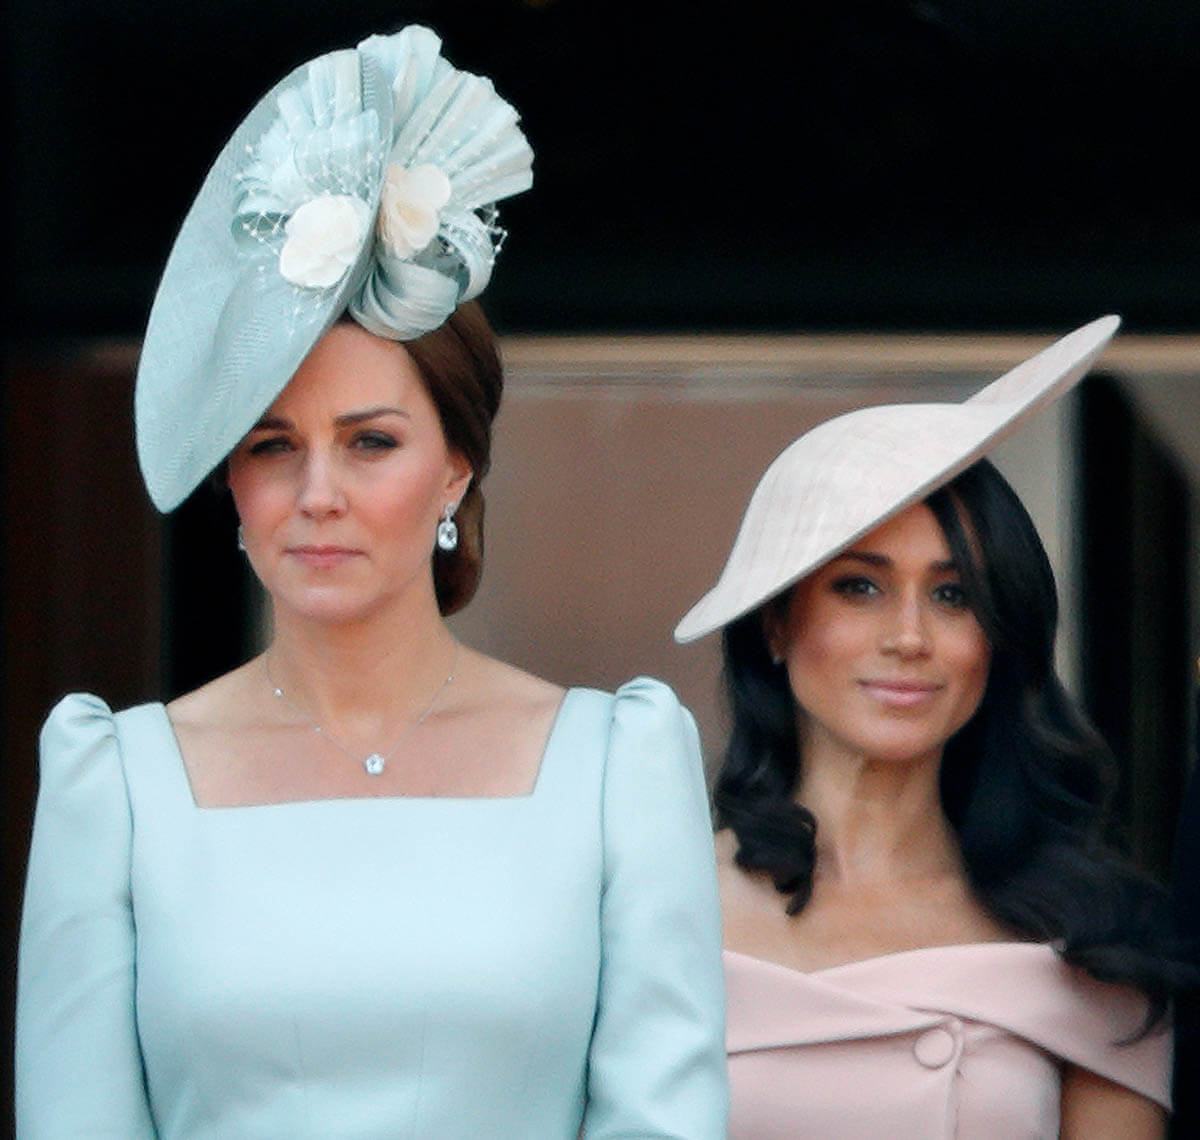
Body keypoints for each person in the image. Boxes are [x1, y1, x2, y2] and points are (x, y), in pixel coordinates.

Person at [16, 25, 727, 1139]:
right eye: (271, 446)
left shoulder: (614, 768)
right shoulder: (115, 786)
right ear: (232, 483)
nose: (317, 494)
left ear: (456, 467)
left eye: (370, 442)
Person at [675, 316, 1191, 1139]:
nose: (909, 637)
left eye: (953, 595)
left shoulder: (1091, 936)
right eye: (859, 587)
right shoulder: (657, 907)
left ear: (1000, 635)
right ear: (775, 623)